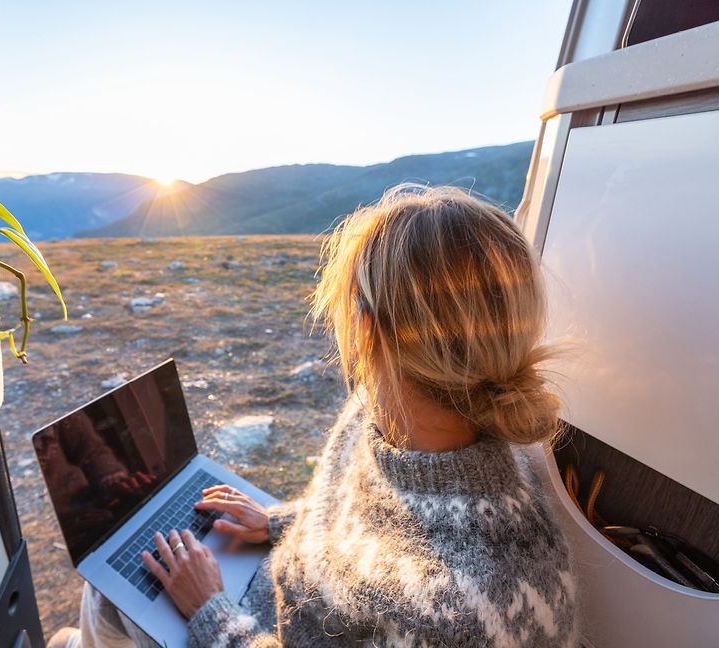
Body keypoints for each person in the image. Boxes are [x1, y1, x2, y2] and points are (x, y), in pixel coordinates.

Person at [50, 184, 578, 648]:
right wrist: (278, 522)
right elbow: (367, 524)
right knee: (117, 583)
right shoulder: (385, 418)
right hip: (282, 592)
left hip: (251, 627)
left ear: (367, 328)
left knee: (108, 596)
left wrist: (211, 612)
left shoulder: (469, 613)